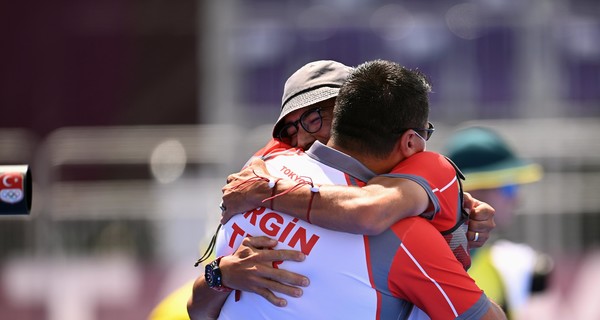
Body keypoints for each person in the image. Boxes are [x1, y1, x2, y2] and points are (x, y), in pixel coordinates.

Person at [152, 60, 494, 318]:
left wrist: (459, 204)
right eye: (288, 130)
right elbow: (197, 309)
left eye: (314, 119)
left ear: (348, 109)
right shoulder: (259, 171)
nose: (300, 138)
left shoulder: (259, 181)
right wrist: (220, 275)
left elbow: (370, 209)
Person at [443, 126, 552, 319]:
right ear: (472, 191)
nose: (517, 199)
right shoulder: (428, 256)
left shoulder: (506, 265)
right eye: (509, 187)